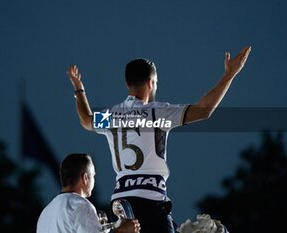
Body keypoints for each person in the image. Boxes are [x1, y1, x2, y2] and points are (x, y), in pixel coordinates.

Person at [67, 46, 251, 233]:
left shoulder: (112, 115)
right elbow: (204, 110)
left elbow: (86, 120)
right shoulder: (157, 113)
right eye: (155, 83)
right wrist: (229, 75)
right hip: (149, 199)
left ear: (127, 84)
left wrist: (79, 89)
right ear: (151, 82)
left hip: (121, 201)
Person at [36, 153, 140, 233]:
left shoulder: (45, 213)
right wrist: (124, 230)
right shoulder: (81, 206)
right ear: (85, 178)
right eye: (93, 176)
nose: (93, 179)